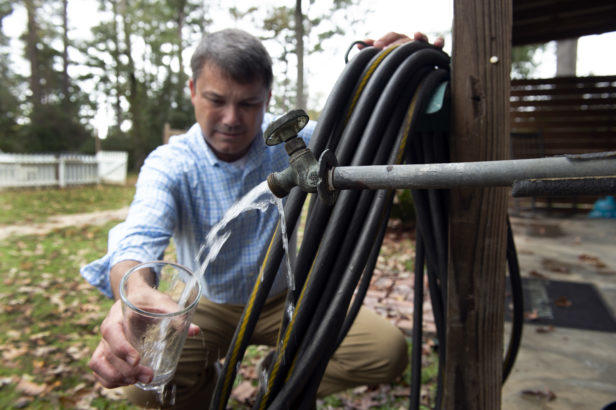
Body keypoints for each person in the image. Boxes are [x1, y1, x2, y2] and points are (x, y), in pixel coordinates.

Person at [82, 28, 433, 408]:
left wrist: (389, 72)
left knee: (386, 351)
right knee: (142, 381)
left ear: (267, 98)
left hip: (283, 298)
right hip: (205, 306)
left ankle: (279, 378)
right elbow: (139, 233)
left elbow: (366, 129)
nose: (232, 119)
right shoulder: (171, 163)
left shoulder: (295, 140)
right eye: (216, 100)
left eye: (248, 104)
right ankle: (205, 390)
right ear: (193, 90)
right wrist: (135, 291)